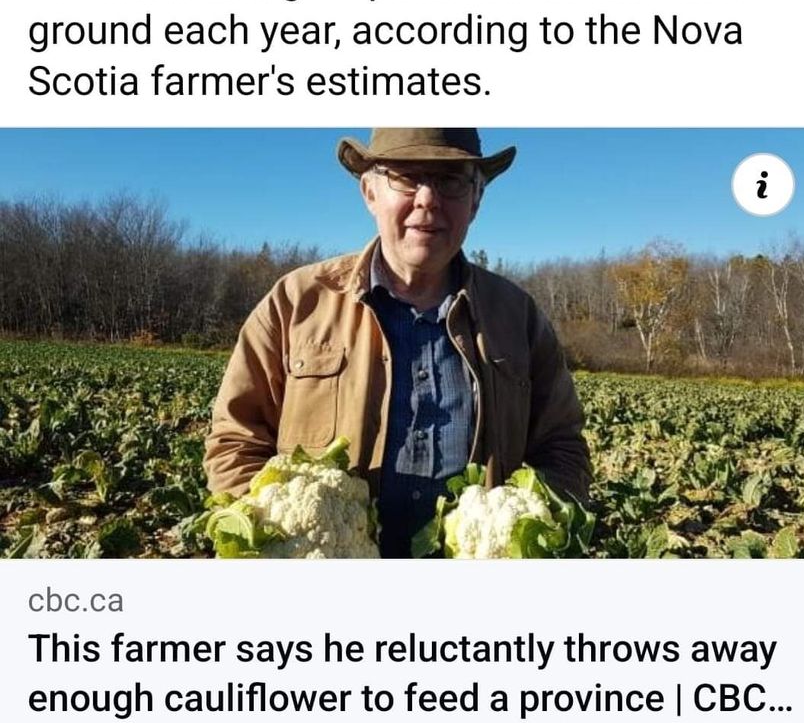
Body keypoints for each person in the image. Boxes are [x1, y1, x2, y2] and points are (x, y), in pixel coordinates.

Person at [204, 128, 590, 557]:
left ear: (476, 200)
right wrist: (277, 543)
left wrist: (526, 532)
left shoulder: (519, 318)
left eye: (451, 180)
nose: (428, 199)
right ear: (370, 192)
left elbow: (563, 448)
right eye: (406, 177)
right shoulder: (295, 303)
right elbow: (234, 440)